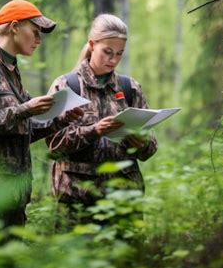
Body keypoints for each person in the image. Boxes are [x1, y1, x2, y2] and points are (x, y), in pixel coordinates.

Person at [0, 0, 83, 227]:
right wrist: (25, 109)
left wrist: (58, 121)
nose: (39, 40)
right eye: (35, 32)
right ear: (14, 27)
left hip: (12, 198)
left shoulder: (11, 71)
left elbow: (21, 130)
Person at [45, 14, 158, 227]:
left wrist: (141, 142)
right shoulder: (67, 85)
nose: (113, 60)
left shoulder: (130, 88)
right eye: (107, 52)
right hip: (76, 204)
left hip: (124, 202)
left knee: (127, 261)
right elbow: (52, 145)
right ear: (92, 45)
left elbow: (151, 148)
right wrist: (93, 131)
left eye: (119, 54)